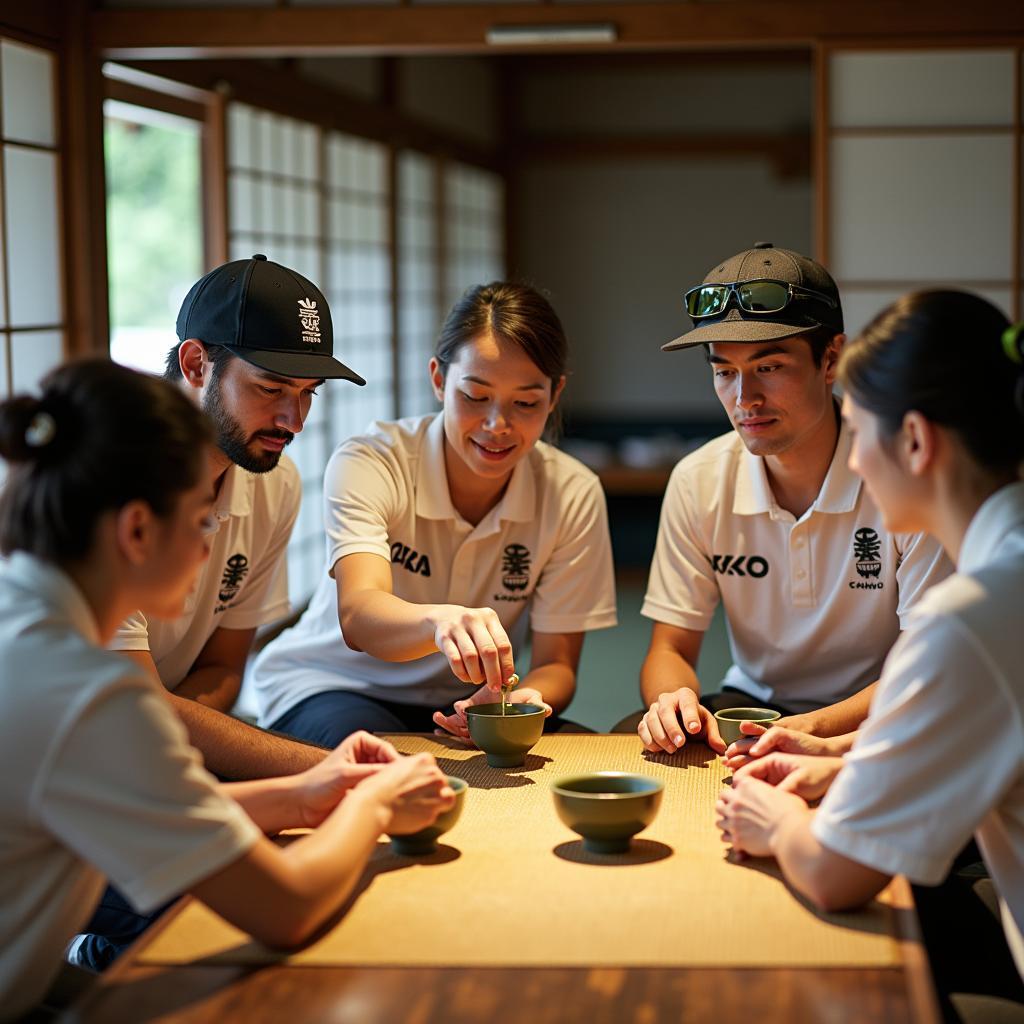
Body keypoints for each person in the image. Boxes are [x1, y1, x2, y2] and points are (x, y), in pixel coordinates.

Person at [0, 360, 453, 1021]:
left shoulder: (25, 607)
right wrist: (377, 805)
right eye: (200, 520)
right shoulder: (88, 693)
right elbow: (287, 907)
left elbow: (161, 805)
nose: (211, 542)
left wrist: (305, 794)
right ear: (135, 530)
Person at [716, 290, 1024, 1021]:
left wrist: (771, 821)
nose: (851, 459)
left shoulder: (972, 620)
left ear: (914, 442)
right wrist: (843, 762)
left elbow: (833, 875)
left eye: (857, 432)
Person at [250, 281, 617, 746]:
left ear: (555, 394)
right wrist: (438, 623)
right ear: (439, 379)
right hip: (332, 683)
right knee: (381, 774)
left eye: (526, 403)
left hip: (464, 702)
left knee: (586, 756)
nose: (496, 426)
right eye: (475, 396)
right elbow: (360, 616)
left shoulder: (571, 491)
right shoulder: (373, 461)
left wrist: (522, 699)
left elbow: (556, 666)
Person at [630, 243, 949, 755]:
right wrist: (671, 700)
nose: (744, 399)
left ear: (831, 359)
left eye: (770, 367)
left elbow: (929, 657)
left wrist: (814, 730)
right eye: (723, 372)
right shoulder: (699, 479)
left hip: (876, 704)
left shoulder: (899, 473)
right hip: (753, 705)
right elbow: (670, 645)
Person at [110, 253, 367, 781]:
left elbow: (225, 667)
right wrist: (331, 773)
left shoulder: (275, 485)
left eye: (307, 395)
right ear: (196, 364)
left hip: (155, 748)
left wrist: (174, 733)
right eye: (271, 388)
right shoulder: (112, 490)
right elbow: (128, 712)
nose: (292, 420)